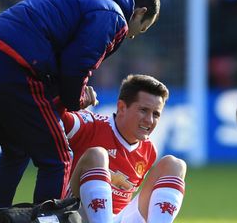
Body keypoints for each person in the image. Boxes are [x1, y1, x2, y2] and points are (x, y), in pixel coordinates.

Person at [0, 0, 160, 215]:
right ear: (140, 13)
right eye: (143, 27)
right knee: (59, 159)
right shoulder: (113, 16)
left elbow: (58, 62)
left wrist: (69, 96)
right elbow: (76, 66)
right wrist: (77, 99)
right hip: (12, 68)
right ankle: (46, 222)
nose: (134, 34)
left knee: (16, 149)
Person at [63, 74, 186, 223]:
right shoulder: (88, 125)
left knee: (175, 165)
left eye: (156, 114)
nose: (149, 120)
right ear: (121, 107)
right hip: (76, 215)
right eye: (143, 110)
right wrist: (68, 105)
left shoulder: (149, 151)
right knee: (97, 154)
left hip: (118, 218)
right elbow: (48, 116)